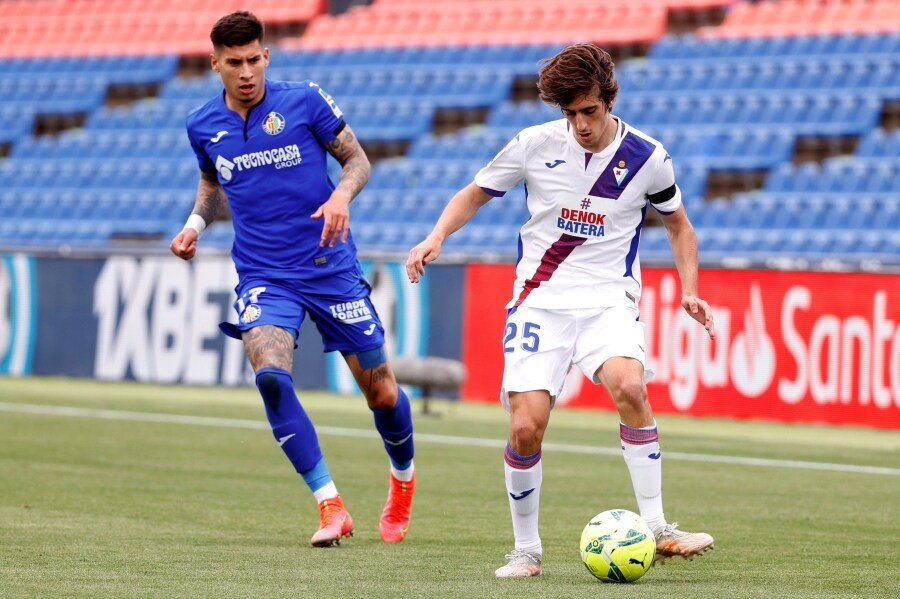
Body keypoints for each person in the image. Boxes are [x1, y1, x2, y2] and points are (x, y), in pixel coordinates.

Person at [406, 43, 716, 577]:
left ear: (609, 99)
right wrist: (436, 236)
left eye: (589, 111)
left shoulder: (648, 156)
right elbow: (475, 193)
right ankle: (526, 551)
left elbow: (678, 224)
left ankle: (659, 527)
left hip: (607, 299)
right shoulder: (533, 144)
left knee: (631, 386)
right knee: (526, 428)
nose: (581, 125)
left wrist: (690, 288)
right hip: (539, 300)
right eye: (570, 114)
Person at [170, 11, 415, 547]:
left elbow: (357, 160)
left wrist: (340, 196)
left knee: (381, 394)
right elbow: (213, 182)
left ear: (266, 57)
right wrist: (194, 224)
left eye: (254, 59)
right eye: (234, 63)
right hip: (264, 274)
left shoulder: (304, 100)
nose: (246, 72)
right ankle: (330, 503)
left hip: (330, 267)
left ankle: (402, 483)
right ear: (215, 64)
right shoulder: (201, 124)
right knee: (271, 376)